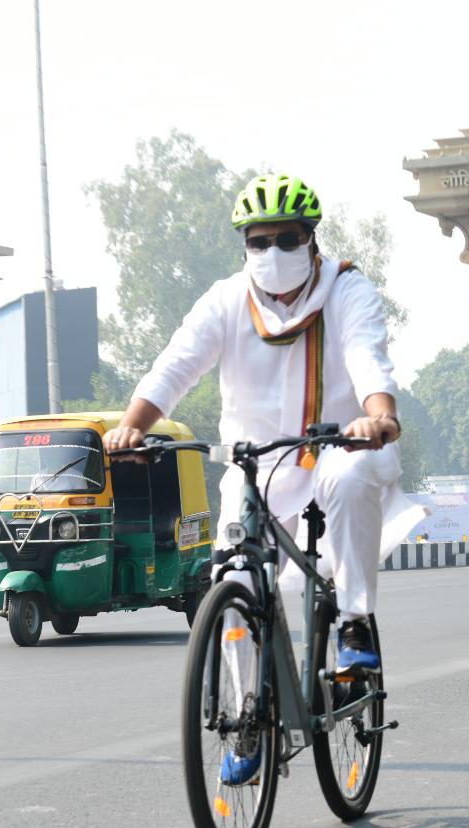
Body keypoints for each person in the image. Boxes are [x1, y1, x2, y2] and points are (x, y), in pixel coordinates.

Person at [103, 172, 423, 677]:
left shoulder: (345, 289)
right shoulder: (226, 300)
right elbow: (175, 366)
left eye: (287, 239)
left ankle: (354, 623)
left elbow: (367, 356)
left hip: (342, 448)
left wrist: (379, 416)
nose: (273, 252)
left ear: (311, 239)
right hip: (255, 464)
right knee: (233, 581)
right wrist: (132, 427)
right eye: (260, 242)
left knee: (347, 477)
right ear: (245, 247)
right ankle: (245, 712)